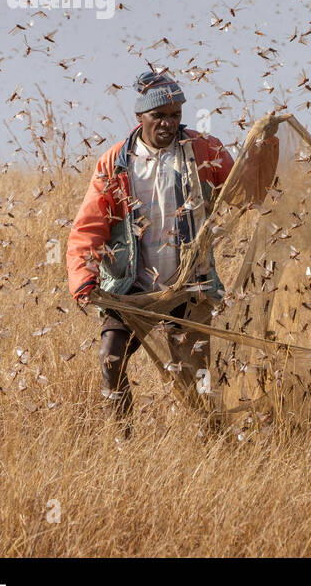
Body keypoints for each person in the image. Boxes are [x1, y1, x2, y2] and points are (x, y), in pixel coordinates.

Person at [66, 71, 234, 432]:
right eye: (159, 115)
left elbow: (241, 187)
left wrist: (266, 145)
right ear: (141, 117)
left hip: (188, 284)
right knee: (111, 358)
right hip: (131, 288)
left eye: (175, 115)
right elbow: (89, 226)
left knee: (197, 378)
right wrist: (83, 277)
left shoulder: (204, 150)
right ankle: (122, 439)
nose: (168, 123)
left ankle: (215, 443)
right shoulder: (115, 162)